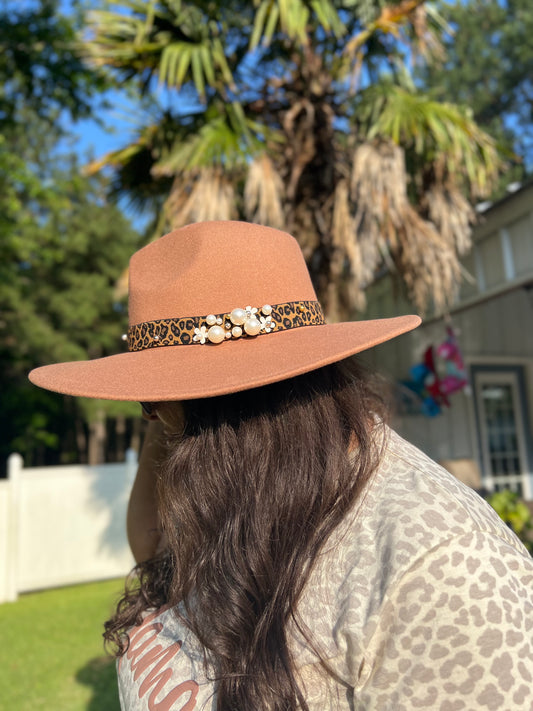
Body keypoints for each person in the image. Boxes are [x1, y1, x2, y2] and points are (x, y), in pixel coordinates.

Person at [29, 221, 533, 711]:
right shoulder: (241, 496)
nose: (155, 426)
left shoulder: (438, 564)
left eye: (152, 401)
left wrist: (178, 378)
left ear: (220, 409)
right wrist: (173, 383)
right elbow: (152, 544)